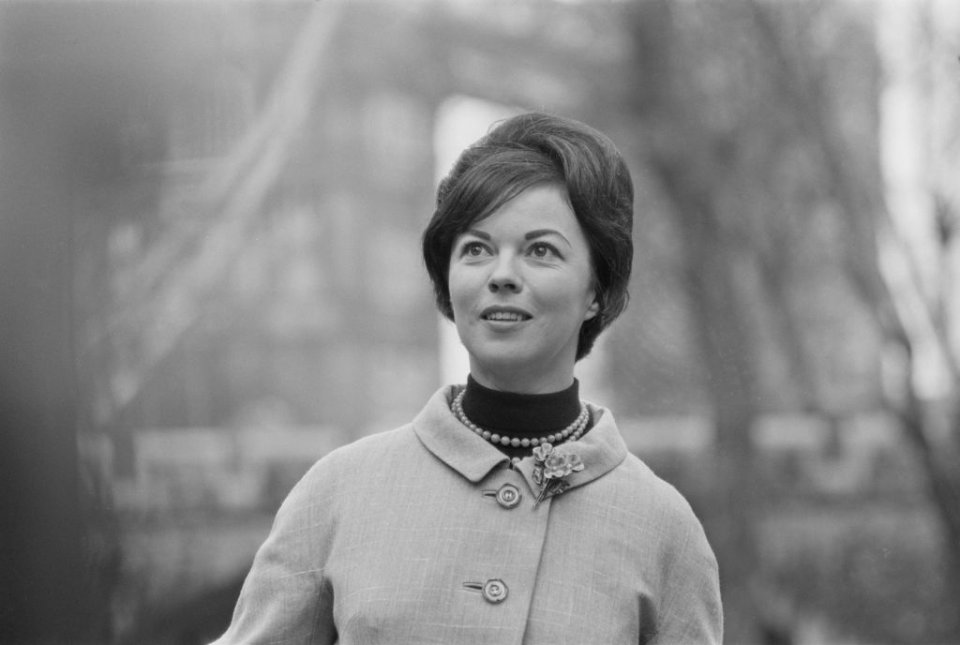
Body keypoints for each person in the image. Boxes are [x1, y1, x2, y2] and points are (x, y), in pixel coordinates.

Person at [211, 112, 723, 644]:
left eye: (541, 250)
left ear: (596, 289)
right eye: (477, 249)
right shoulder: (337, 494)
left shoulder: (663, 530)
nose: (502, 275)